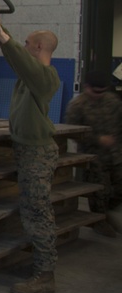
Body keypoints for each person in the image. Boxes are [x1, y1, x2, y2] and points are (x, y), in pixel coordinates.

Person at [0, 8, 61, 293]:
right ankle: (41, 268)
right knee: (33, 210)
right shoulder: (30, 77)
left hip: (37, 154)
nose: (25, 46)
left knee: (37, 212)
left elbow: (25, 64)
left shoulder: (46, 78)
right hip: (27, 150)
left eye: (28, 43)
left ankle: (45, 275)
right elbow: (19, 63)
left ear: (39, 47)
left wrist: (3, 36)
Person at [65, 71, 122, 237]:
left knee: (119, 189)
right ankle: (99, 221)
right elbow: (73, 132)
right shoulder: (77, 106)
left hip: (116, 154)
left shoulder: (113, 102)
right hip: (93, 157)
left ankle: (106, 214)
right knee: (99, 192)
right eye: (95, 91)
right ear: (86, 87)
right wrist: (98, 139)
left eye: (102, 91)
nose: (99, 95)